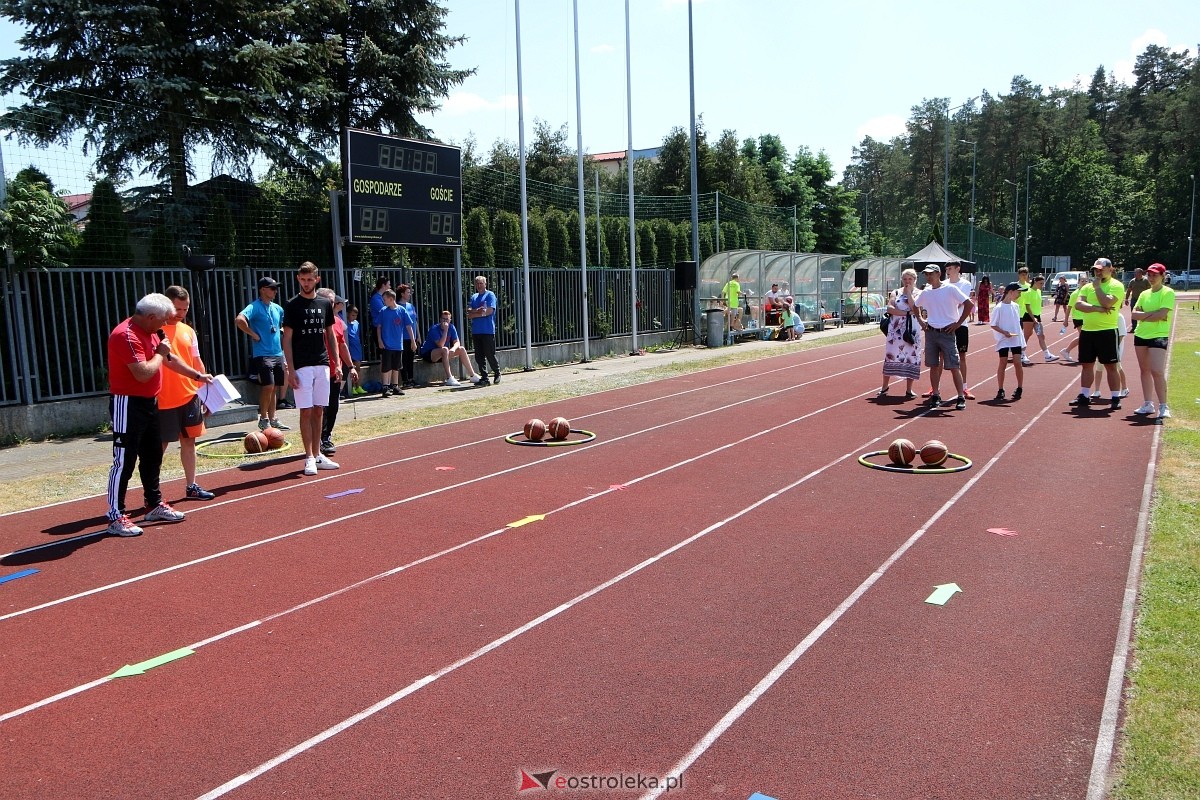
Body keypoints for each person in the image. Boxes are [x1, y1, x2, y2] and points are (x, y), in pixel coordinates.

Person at [104, 293, 213, 537]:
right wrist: (160, 353)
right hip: (127, 404)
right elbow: (142, 372)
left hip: (151, 402)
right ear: (151, 316)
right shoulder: (126, 335)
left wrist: (196, 375)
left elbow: (169, 360)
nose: (165, 325)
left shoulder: (152, 331)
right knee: (124, 460)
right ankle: (115, 514)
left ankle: (153, 504)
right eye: (163, 320)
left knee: (153, 456)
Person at [281, 261, 341, 475]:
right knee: (305, 411)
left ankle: (318, 454)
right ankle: (308, 457)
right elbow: (286, 339)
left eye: (310, 279)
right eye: (302, 279)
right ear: (298, 279)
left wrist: (338, 362)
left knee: (319, 410)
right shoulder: (291, 305)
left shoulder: (325, 303)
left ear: (317, 279)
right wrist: (290, 368)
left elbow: (330, 334)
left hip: (322, 363)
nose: (306, 283)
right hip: (301, 365)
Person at [158, 286, 217, 502]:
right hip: (164, 399)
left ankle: (191, 486)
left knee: (189, 442)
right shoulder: (156, 330)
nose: (181, 313)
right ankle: (152, 493)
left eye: (185, 308)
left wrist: (205, 390)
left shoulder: (188, 331)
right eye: (177, 308)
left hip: (189, 396)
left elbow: (196, 361)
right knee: (160, 447)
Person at [1069, 257, 1125, 410]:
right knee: (1086, 364)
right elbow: (1079, 305)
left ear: (1110, 269)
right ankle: (1084, 395)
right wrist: (1098, 308)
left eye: (1101, 269)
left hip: (1107, 331)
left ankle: (1115, 396)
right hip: (1088, 331)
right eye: (1096, 269)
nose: (1098, 272)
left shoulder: (1116, 285)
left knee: (1111, 365)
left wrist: (1098, 288)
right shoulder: (1087, 287)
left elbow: (1108, 302)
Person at [235, 276, 290, 432]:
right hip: (262, 354)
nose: (275, 291)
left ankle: (273, 419)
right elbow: (239, 320)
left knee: (274, 387)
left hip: (277, 352)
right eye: (272, 288)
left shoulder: (278, 308)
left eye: (276, 288)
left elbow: (283, 327)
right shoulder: (254, 307)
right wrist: (253, 334)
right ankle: (263, 418)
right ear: (262, 290)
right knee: (268, 386)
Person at [915, 264, 973, 410]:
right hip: (931, 332)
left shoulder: (950, 289)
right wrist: (922, 322)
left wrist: (958, 323)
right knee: (933, 365)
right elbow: (915, 306)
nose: (928, 277)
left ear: (938, 274)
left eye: (931, 274)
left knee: (954, 365)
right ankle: (935, 394)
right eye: (926, 274)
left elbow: (968, 304)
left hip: (947, 332)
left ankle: (960, 396)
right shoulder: (926, 292)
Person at [316, 288, 359, 455]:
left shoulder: (338, 322)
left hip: (335, 371)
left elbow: (342, 345)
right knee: (319, 406)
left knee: (333, 406)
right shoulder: (313, 321)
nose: (332, 305)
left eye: (333, 302)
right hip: (318, 370)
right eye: (329, 302)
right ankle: (317, 438)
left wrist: (351, 366)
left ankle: (326, 437)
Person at [1131, 263, 1174, 419]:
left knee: (1157, 370)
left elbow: (1162, 314)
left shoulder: (1167, 292)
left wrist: (1145, 315)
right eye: (1149, 275)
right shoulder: (1144, 294)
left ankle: (1163, 405)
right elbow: (1134, 314)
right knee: (1144, 371)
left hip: (1158, 335)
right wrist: (1151, 314)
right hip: (1141, 334)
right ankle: (1148, 404)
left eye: (1155, 275)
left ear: (1162, 276)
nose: (1151, 277)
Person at [878, 268, 922, 400]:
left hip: (912, 329)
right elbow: (890, 308)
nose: (907, 281)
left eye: (910, 279)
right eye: (905, 279)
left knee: (912, 356)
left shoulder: (920, 293)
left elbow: (915, 307)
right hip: (895, 330)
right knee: (890, 356)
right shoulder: (895, 292)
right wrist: (906, 313)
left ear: (914, 280)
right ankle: (884, 387)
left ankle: (909, 389)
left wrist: (909, 294)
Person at [419, 310, 482, 387]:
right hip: (429, 354)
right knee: (444, 349)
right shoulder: (434, 329)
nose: (445, 321)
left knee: (461, 349)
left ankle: (472, 375)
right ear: (440, 319)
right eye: (443, 319)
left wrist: (453, 349)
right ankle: (449, 378)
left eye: (447, 319)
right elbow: (440, 345)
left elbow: (457, 342)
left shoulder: (452, 327)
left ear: (450, 320)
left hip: (442, 354)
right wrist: (445, 330)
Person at [945, 261, 977, 399]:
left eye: (950, 268)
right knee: (941, 357)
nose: (948, 271)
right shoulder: (943, 284)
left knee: (962, 356)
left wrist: (952, 314)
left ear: (958, 269)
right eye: (946, 268)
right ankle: (935, 388)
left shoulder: (965, 284)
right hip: (944, 323)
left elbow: (961, 302)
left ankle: (964, 387)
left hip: (960, 324)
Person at [991, 282, 1025, 401]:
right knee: (1003, 362)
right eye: (1018, 292)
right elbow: (993, 325)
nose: (1019, 294)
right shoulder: (999, 307)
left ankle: (1020, 387)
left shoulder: (1015, 306)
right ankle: (1000, 389)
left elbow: (1017, 325)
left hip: (1015, 339)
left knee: (1017, 362)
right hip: (1004, 339)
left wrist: (1022, 341)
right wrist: (1004, 332)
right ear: (1010, 292)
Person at [1018, 274, 1059, 365]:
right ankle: (1022, 354)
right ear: (1035, 282)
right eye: (1041, 283)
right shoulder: (1029, 292)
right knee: (1026, 336)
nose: (1042, 285)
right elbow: (1027, 306)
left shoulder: (1039, 291)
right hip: (1028, 316)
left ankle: (1047, 355)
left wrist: (1037, 318)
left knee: (1041, 335)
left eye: (1043, 283)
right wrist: (1033, 318)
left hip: (1037, 316)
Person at [467, 275, 500, 386]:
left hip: (487, 330)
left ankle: (497, 372)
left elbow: (489, 311)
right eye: (477, 283)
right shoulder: (474, 296)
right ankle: (484, 378)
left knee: (490, 353)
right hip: (476, 331)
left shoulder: (490, 295)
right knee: (479, 356)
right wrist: (478, 312)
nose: (479, 285)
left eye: (481, 283)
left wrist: (475, 314)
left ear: (485, 284)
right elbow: (469, 313)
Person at [375, 289, 408, 397]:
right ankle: (385, 387)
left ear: (391, 299)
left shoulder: (402, 310)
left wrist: (413, 341)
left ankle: (395, 386)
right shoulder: (383, 311)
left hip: (398, 345)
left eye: (385, 299)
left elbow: (408, 326)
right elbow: (378, 327)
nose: (383, 301)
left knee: (396, 366)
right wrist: (380, 340)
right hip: (386, 344)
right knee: (386, 366)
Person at [398, 283, 420, 389]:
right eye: (407, 292)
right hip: (403, 337)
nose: (409, 294)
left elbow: (415, 321)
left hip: (412, 337)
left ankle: (411, 378)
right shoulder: (399, 307)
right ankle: (405, 380)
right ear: (402, 294)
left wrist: (418, 336)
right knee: (404, 359)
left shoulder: (411, 306)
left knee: (411, 359)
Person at [345, 305, 367, 396]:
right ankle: (352, 387)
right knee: (351, 368)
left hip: (357, 348)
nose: (354, 317)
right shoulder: (345, 323)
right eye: (352, 315)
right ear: (347, 314)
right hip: (349, 348)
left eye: (355, 315)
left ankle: (358, 386)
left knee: (357, 368)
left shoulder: (356, 323)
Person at [1125, 267, 1150, 333]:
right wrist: (1126, 299)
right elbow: (1129, 290)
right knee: (1133, 313)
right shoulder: (1132, 281)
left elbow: (1150, 290)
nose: (1135, 274)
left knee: (1145, 313)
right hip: (1134, 299)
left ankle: (1145, 327)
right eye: (1135, 272)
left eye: (1136, 272)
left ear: (1141, 273)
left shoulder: (1146, 280)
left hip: (1144, 300)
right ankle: (1134, 327)